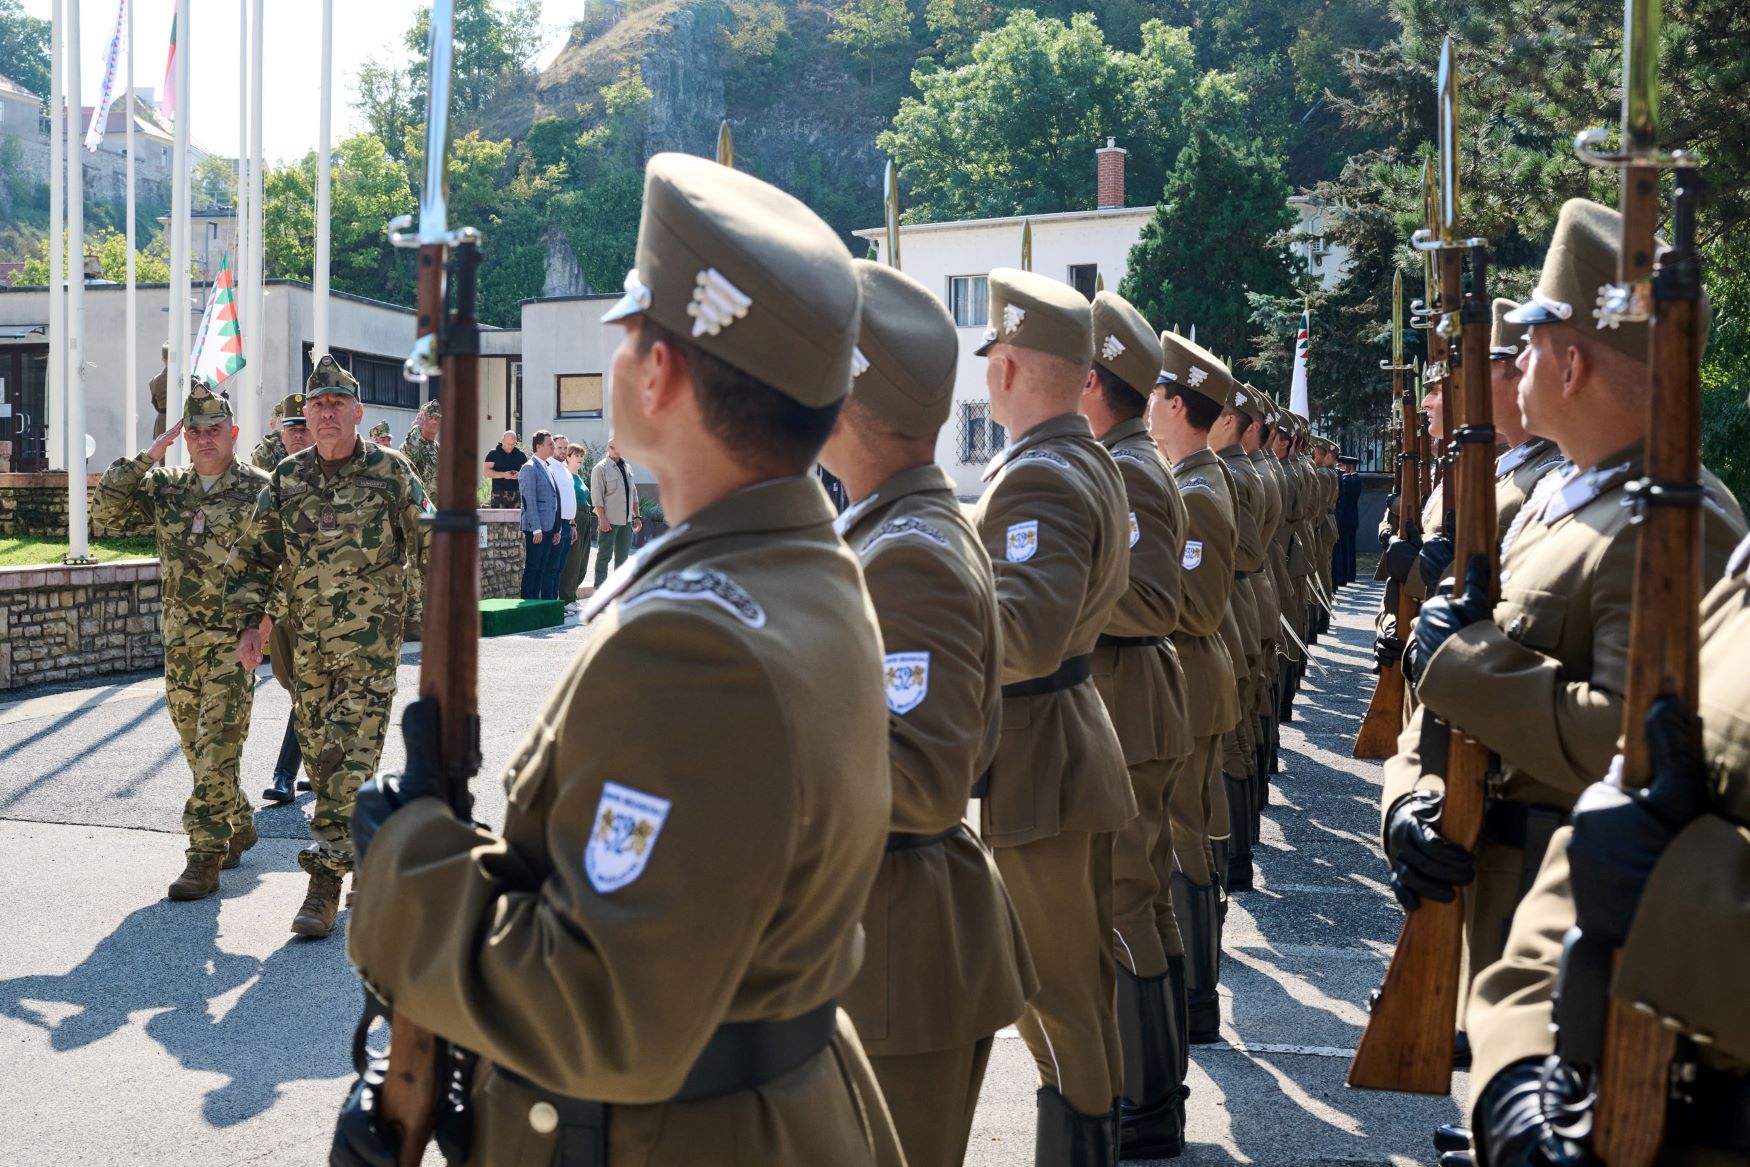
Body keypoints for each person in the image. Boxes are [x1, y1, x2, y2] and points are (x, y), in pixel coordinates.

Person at [333, 151, 903, 1167]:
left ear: (663, 371)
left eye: (631, 325)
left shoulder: (693, 646)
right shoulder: (800, 567)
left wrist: (405, 869)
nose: (614, 345)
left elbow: (599, 1008)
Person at [1379, 199, 1746, 1074]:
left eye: (1532, 342)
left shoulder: (1673, 526)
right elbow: (1451, 705)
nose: (1513, 362)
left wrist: (1461, 666)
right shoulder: (1561, 504)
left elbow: (1636, 745)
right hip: (1500, 893)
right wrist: (1411, 796)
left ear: (1573, 362)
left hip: (1583, 930)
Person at [819, 258, 1035, 1167]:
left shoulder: (907, 553)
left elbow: (921, 777)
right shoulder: (886, 527)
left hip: (902, 954)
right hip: (886, 939)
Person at [1465, 543, 1750, 1166]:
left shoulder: (1688, 531)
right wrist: (1517, 1070)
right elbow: (1603, 832)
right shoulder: (1737, 588)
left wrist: (1688, 894)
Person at [971, 266, 1134, 1162]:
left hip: (1043, 754)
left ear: (1006, 368)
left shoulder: (1039, 478)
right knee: (1074, 990)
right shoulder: (1082, 458)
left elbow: (1024, 636)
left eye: (993, 353)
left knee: (1056, 995)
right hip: (1065, 742)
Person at [226, 354, 428, 939]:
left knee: (352, 753)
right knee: (321, 758)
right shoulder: (288, 478)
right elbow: (256, 556)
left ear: (359, 412)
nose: (327, 413)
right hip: (307, 645)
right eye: (317, 405)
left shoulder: (391, 472)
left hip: (370, 648)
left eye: (338, 403)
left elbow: (428, 538)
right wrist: (250, 624)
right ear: (306, 416)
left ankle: (324, 880)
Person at [1080, 291, 1195, 1158]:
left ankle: (1146, 1099)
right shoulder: (1128, 460)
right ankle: (1154, 1090)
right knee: (1139, 894)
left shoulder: (1128, 470)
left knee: (1127, 895)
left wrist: (1065, 602)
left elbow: (1156, 597)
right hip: (1130, 698)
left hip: (1130, 697)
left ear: (1094, 383)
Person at [92, 380, 269, 900]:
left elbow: (285, 564)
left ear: (233, 433)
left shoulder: (260, 490)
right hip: (180, 642)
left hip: (233, 645)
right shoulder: (166, 487)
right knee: (196, 745)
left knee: (217, 747)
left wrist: (263, 625)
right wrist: (148, 455)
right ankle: (238, 817)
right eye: (193, 431)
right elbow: (104, 514)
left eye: (214, 430)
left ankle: (203, 856)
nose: (204, 439)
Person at [1152, 329, 1241, 1046]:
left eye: (1155, 394)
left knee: (1188, 844)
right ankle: (1191, 989)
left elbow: (1203, 604)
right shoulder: (1189, 481)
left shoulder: (1203, 491)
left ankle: (1196, 996)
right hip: (1185, 681)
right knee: (1183, 839)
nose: (1147, 405)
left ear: (1178, 403)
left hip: (1191, 679)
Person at [263, 392, 314, 804]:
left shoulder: (334, 472)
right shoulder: (268, 474)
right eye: (290, 429)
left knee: (306, 688)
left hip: (325, 606)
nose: (296, 436)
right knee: (291, 682)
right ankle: (316, 763)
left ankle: (285, 775)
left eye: (302, 428)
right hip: (279, 603)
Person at [590, 435, 644, 586]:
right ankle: (599, 591)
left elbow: (633, 494)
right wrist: (602, 519)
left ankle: (620, 593)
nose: (617, 451)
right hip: (609, 520)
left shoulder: (627, 467)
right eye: (613, 447)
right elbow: (597, 497)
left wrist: (637, 516)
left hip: (626, 521)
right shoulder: (600, 469)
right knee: (604, 557)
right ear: (608, 449)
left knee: (623, 559)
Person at [517, 429, 560, 600]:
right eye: (550, 444)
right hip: (536, 529)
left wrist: (556, 529)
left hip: (548, 527)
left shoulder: (547, 467)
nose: (553, 448)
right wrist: (536, 529)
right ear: (539, 446)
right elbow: (529, 501)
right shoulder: (529, 468)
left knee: (542, 567)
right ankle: (528, 602)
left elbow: (553, 500)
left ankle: (536, 603)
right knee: (533, 567)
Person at [557, 442, 595, 607]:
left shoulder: (578, 476)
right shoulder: (566, 475)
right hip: (575, 518)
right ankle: (566, 598)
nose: (580, 459)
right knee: (572, 560)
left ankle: (572, 593)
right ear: (568, 457)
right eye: (576, 456)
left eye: (581, 456)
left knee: (582, 561)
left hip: (586, 517)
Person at [544, 433, 578, 601]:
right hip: (555, 525)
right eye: (560, 447)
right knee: (552, 566)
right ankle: (549, 602)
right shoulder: (549, 467)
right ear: (552, 447)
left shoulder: (565, 468)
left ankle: (556, 603)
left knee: (560, 568)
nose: (563, 451)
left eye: (566, 447)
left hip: (567, 524)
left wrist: (572, 525)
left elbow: (568, 497)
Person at [399, 399, 441, 496]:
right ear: (421, 419)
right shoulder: (413, 445)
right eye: (430, 417)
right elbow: (409, 457)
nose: (434, 422)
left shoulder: (439, 449)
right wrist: (416, 428)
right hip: (421, 507)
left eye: (437, 418)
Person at [1334, 454, 1362, 588]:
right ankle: (1351, 573)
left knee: (1344, 548)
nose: (1340, 468)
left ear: (1347, 467)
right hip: (1353, 516)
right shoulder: (1356, 479)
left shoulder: (1347, 480)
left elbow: (1342, 500)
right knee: (1350, 547)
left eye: (1341, 465)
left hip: (1344, 518)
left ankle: (1343, 575)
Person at [483, 430, 526, 508]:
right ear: (502, 441)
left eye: (512, 444)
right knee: (497, 519)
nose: (510, 446)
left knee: (516, 520)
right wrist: (503, 475)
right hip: (498, 493)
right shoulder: (493, 453)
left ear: (516, 442)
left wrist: (519, 475)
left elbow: (527, 473)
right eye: (508, 444)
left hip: (517, 493)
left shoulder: (520, 454)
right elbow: (486, 472)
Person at [251, 398, 288, 471]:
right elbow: (260, 463)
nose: (270, 423)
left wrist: (277, 433)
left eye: (273, 418)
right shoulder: (270, 448)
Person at [149, 341, 169, 438]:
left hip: (162, 422)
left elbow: (155, 403)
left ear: (163, 359)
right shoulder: (187, 379)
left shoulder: (154, 381)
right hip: (181, 421)